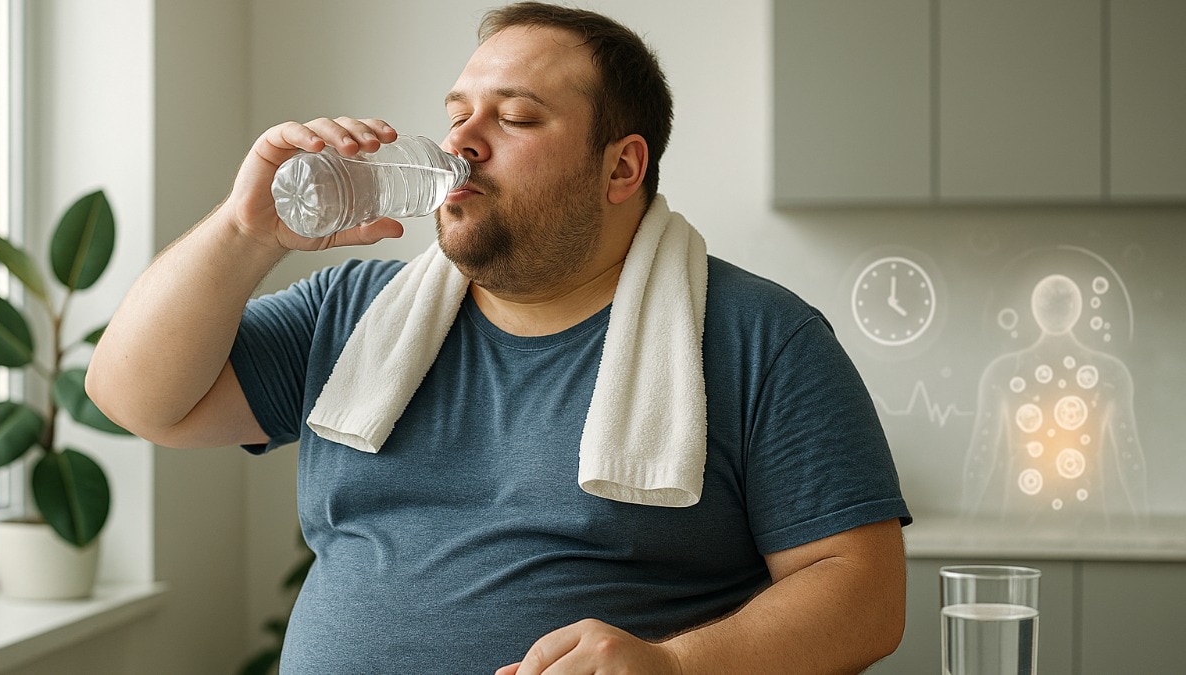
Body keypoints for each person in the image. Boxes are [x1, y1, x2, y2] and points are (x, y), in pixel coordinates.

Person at [87, 3, 911, 672]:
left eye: (515, 117)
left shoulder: (761, 338)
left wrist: (672, 665)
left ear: (621, 168)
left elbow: (865, 597)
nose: (461, 142)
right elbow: (136, 400)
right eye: (457, 115)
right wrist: (244, 231)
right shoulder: (354, 309)